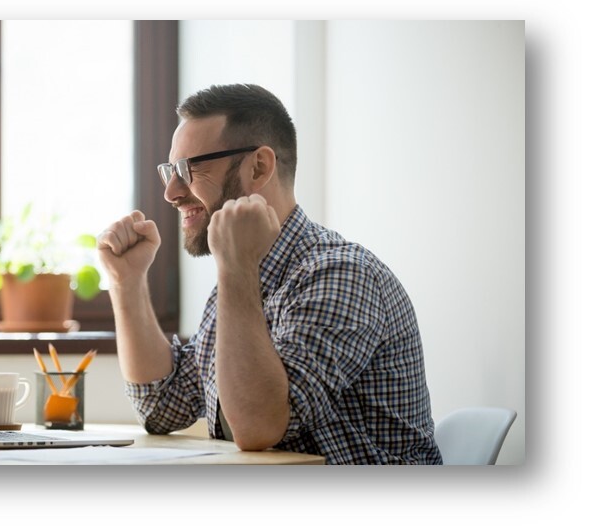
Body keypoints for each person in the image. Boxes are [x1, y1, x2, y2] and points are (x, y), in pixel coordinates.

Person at [97, 83, 443, 464]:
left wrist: (236, 268)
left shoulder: (342, 275)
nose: (172, 192)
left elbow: (258, 427)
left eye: (188, 168)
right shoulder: (239, 283)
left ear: (259, 167)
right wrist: (127, 282)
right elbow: (162, 406)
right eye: (170, 171)